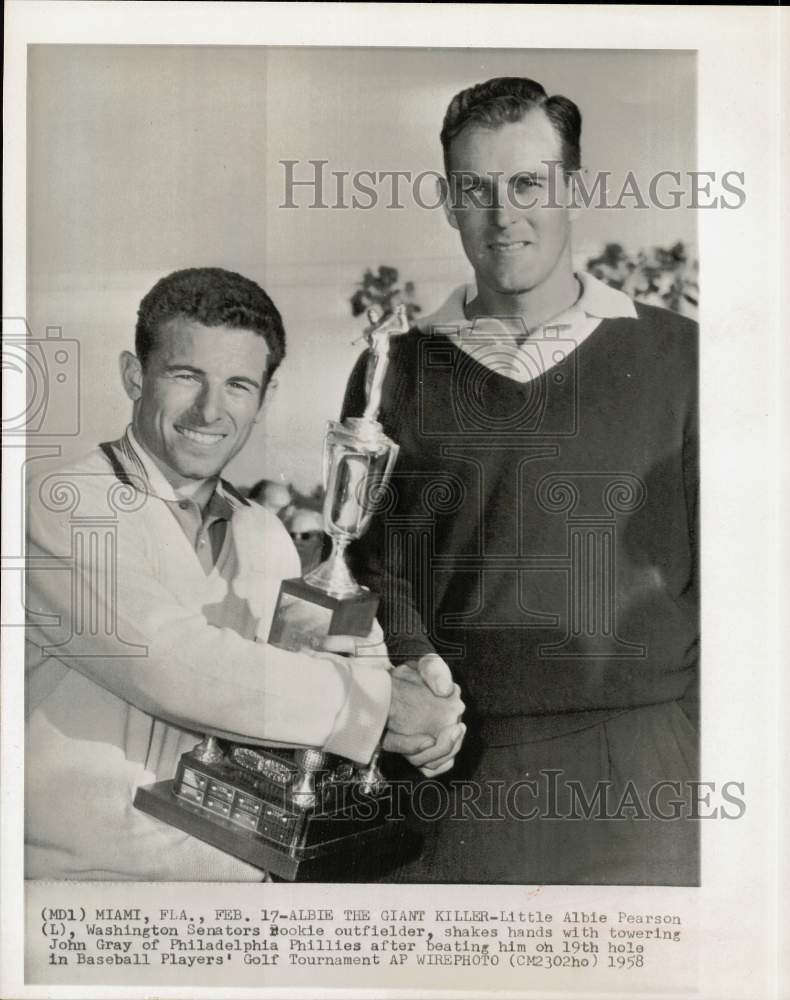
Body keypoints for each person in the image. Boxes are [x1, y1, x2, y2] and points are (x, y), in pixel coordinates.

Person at [343, 78, 699, 884]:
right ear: (447, 199)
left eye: (529, 183)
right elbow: (372, 568)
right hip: (455, 772)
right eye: (477, 189)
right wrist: (408, 661)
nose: (504, 215)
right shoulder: (393, 368)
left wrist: (694, 748)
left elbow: (742, 589)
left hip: (645, 771)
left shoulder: (683, 356)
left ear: (572, 187)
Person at [25, 266, 464, 881]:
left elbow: (309, 645)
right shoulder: (59, 504)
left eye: (238, 384)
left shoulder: (263, 532)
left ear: (265, 398)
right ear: (134, 375)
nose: (210, 408)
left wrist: (415, 692)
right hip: (82, 899)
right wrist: (379, 704)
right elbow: (169, 662)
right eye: (186, 376)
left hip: (241, 893)